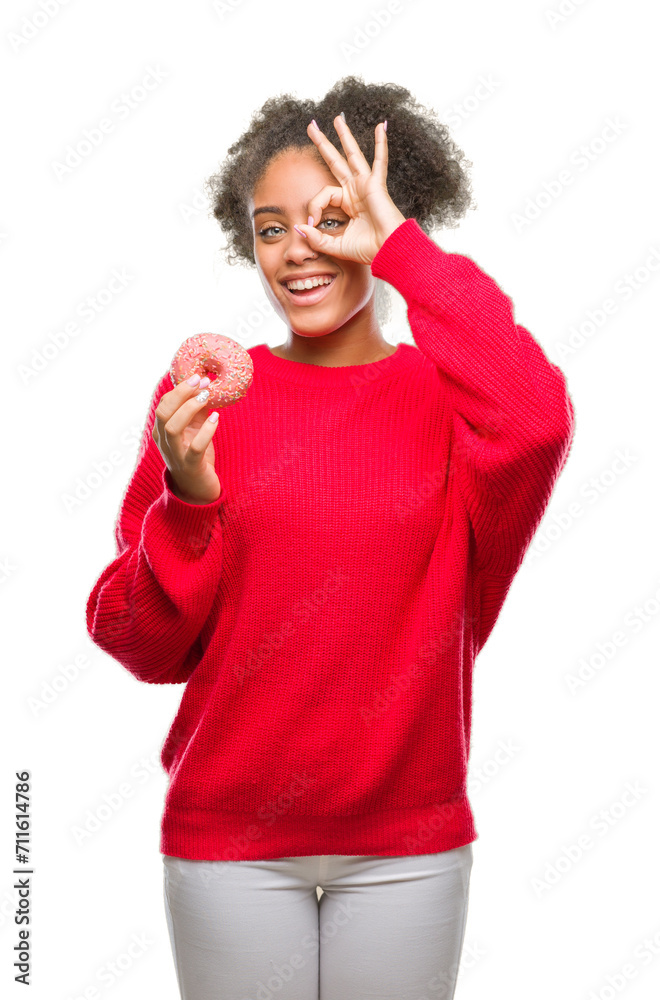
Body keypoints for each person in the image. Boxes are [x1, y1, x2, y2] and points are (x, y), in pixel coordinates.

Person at [86, 76, 576, 1000]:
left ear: (391, 222)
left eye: (333, 217)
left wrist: (404, 254)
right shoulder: (199, 406)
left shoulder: (452, 405)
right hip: (230, 849)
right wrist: (187, 502)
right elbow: (141, 643)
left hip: (407, 849)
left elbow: (538, 421)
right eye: (272, 228)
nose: (298, 251)